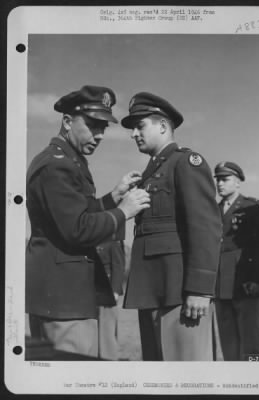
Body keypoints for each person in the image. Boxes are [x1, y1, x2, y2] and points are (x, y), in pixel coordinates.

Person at [26, 85, 150, 360]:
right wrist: (124, 211)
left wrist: (112, 198)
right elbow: (77, 229)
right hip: (63, 301)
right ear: (68, 121)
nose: (100, 134)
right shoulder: (57, 164)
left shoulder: (68, 160)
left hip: (67, 297)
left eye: (103, 127)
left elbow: (75, 213)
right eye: (93, 125)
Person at [121, 92, 222, 361]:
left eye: (140, 126)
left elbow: (205, 228)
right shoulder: (151, 173)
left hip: (180, 293)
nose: (133, 134)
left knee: (187, 376)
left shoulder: (185, 163)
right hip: (153, 290)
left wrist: (200, 289)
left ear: (163, 126)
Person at [213, 161, 259, 361]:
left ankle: (254, 388)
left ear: (238, 182)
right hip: (220, 286)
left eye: (225, 179)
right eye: (218, 180)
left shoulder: (253, 208)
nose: (220, 184)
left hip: (245, 284)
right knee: (229, 345)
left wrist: (258, 281)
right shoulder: (212, 210)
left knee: (251, 345)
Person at [95, 240, 125, 360]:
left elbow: (118, 265)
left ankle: (109, 363)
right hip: (89, 292)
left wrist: (115, 291)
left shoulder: (112, 242)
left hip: (107, 292)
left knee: (107, 333)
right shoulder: (88, 240)